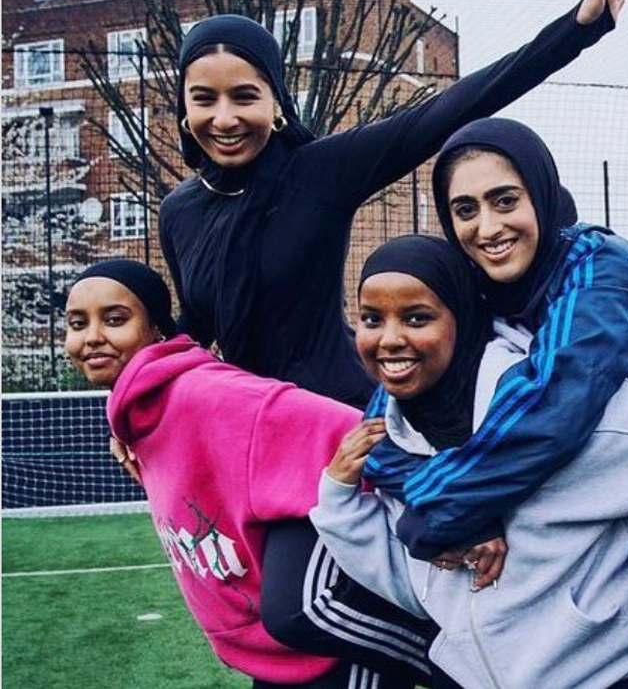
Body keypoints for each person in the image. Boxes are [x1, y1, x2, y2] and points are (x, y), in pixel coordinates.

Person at [363, 118, 628, 687]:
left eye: (505, 200)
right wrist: (419, 488)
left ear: (542, 193)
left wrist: (435, 513)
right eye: (465, 209)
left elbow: (553, 404)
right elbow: (383, 424)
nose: (487, 226)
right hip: (597, 475)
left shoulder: (599, 265)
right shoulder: (473, 287)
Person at [311, 235, 628, 689]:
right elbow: (412, 585)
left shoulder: (561, 418)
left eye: (417, 318)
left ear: (462, 317)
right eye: (372, 319)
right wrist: (339, 499)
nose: (389, 339)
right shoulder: (397, 444)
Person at [160, 0, 624, 409]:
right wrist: (135, 397)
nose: (224, 118)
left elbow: (449, 110)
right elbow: (197, 328)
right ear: (185, 107)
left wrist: (575, 30)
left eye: (244, 97)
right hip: (247, 424)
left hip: (336, 418)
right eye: (204, 99)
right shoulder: (179, 212)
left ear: (276, 102)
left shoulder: (318, 172)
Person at [63, 259, 439, 689]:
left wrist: (444, 505)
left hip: (337, 647)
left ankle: (458, 660)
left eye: (115, 320)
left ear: (156, 330)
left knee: (295, 611)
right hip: (275, 657)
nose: (92, 337)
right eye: (77, 323)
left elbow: (341, 425)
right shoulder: (138, 417)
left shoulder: (204, 392)